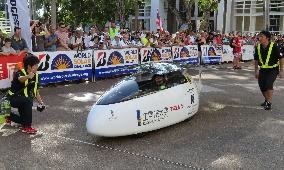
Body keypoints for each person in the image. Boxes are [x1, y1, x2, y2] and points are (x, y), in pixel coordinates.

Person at [5, 53, 46, 134]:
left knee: (24, 120)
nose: (37, 67)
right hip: (11, 99)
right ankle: (27, 127)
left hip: (22, 101)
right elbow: (20, 79)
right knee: (28, 100)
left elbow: (35, 91)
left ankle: (9, 117)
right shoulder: (20, 72)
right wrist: (28, 76)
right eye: (36, 65)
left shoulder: (36, 75)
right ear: (29, 66)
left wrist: (41, 103)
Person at [254, 30, 284, 110]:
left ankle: (269, 103)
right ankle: (267, 100)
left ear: (267, 38)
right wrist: (256, 70)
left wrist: (281, 70)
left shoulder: (274, 46)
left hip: (273, 69)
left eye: (261, 36)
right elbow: (256, 59)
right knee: (262, 86)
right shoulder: (258, 47)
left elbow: (281, 58)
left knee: (268, 84)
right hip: (263, 69)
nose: (259, 38)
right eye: (259, 36)